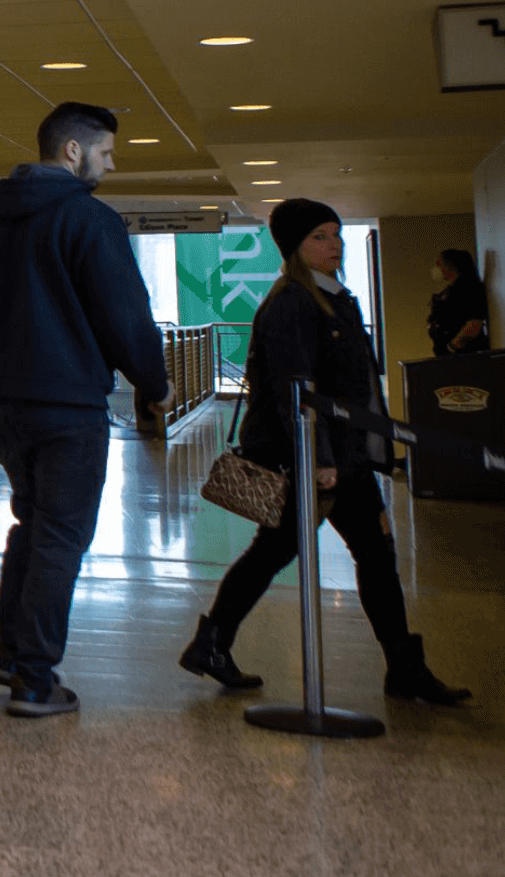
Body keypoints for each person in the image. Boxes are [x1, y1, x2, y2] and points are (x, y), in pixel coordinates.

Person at [179, 200, 470, 705]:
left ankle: (400, 665)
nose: (334, 244)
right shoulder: (293, 302)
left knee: (356, 555)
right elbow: (295, 385)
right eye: (319, 236)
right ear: (294, 246)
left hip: (343, 456)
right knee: (299, 553)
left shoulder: (335, 298)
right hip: (314, 461)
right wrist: (318, 458)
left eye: (336, 234)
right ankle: (214, 644)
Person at [0, 102, 168, 719]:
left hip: (2, 402)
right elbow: (124, 314)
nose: (111, 164)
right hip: (68, 401)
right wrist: (154, 383)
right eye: (106, 152)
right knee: (62, 534)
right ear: (73, 151)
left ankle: (13, 653)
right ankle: (35, 677)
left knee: (34, 522)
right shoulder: (89, 219)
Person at [427, 248, 490, 356]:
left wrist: (451, 347)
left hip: (463, 356)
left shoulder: (469, 289)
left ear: (450, 266)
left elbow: (474, 324)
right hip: (449, 355)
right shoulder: (450, 290)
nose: (436, 268)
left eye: (439, 264)